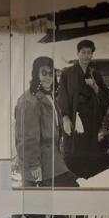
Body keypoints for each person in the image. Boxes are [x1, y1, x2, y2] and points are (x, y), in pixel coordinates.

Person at [55, 38, 109, 179]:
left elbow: (106, 98)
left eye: (89, 53)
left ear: (92, 54)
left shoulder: (95, 74)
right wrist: (65, 117)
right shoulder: (67, 73)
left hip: (93, 121)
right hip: (75, 119)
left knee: (92, 154)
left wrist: (95, 87)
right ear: (77, 53)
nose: (86, 56)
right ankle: (74, 180)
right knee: (74, 153)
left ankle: (91, 180)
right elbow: (62, 97)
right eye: (83, 52)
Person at [14, 54, 69, 187]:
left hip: (53, 160)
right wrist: (33, 165)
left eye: (51, 74)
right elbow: (27, 137)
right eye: (44, 73)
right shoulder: (29, 101)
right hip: (39, 165)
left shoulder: (48, 96)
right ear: (35, 74)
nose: (48, 78)